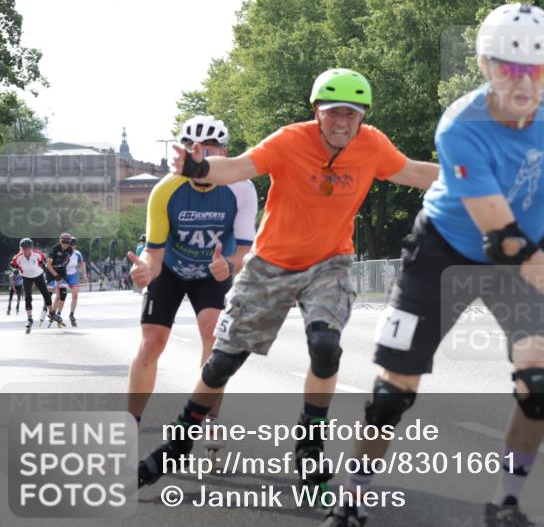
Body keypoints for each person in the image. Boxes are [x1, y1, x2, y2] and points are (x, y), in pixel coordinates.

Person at [314, 4, 544, 527]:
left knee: (541, 382)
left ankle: (505, 507)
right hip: (446, 251)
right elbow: (508, 245)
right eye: (508, 69)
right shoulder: (460, 128)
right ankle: (352, 499)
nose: (523, 84)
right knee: (392, 393)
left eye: (536, 70)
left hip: (523, 254)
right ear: (483, 66)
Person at [136, 68, 438, 490]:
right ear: (317, 112)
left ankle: (310, 446)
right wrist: (198, 168)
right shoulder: (290, 140)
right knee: (223, 361)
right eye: (333, 112)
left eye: (351, 114)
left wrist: (478, 178)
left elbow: (416, 173)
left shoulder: (372, 144)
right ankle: (180, 440)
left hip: (330, 262)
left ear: (363, 117)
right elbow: (237, 167)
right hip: (271, 264)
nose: (342, 122)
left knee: (326, 346)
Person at [125, 115, 257, 429]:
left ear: (224, 153)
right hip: (171, 268)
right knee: (152, 342)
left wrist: (229, 265)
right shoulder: (165, 189)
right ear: (182, 152)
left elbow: (245, 252)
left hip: (214, 271)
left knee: (214, 335)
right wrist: (145, 270)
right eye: (193, 147)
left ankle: (207, 419)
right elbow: (154, 252)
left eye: (210, 148)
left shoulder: (241, 189)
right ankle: (131, 420)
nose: (201, 154)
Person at [9, 238, 54, 332]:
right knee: (28, 296)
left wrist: (45, 271)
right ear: (21, 248)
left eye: (27, 248)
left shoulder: (38, 254)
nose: (25, 250)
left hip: (38, 275)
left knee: (46, 294)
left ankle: (51, 313)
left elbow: (43, 262)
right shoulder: (17, 257)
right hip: (26, 277)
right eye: (23, 249)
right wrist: (16, 270)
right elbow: (13, 265)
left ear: (31, 248)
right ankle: (29, 318)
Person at [46, 232, 73, 326]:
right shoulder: (54, 249)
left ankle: (57, 314)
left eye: (67, 242)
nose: (65, 244)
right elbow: (48, 265)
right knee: (50, 291)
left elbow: (67, 260)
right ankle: (47, 310)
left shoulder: (70, 250)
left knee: (63, 293)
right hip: (51, 270)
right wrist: (56, 276)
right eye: (63, 242)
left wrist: (61, 271)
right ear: (60, 241)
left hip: (61, 270)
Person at [60, 236, 87, 326]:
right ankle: (58, 314)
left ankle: (71, 314)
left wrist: (84, 275)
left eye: (74, 245)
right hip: (63, 275)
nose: (72, 247)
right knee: (61, 296)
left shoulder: (77, 253)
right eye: (71, 245)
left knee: (75, 296)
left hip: (72, 275)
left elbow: (82, 264)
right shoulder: (62, 252)